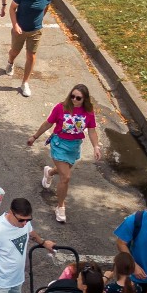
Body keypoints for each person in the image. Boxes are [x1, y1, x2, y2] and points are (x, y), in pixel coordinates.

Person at [27, 84, 102, 223]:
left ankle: (49, 172)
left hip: (74, 147)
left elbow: (91, 130)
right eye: (72, 96)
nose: (74, 99)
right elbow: (48, 123)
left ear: (84, 99)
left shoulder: (88, 112)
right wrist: (34, 137)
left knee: (63, 172)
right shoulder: (60, 107)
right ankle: (60, 207)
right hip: (59, 144)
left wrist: (96, 146)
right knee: (66, 177)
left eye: (78, 98)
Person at [5, 0, 52, 97]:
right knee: (14, 51)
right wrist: (15, 25)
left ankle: (25, 82)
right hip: (20, 30)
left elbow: (45, 8)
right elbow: (12, 8)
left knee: (31, 56)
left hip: (35, 31)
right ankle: (10, 62)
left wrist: (39, 21)